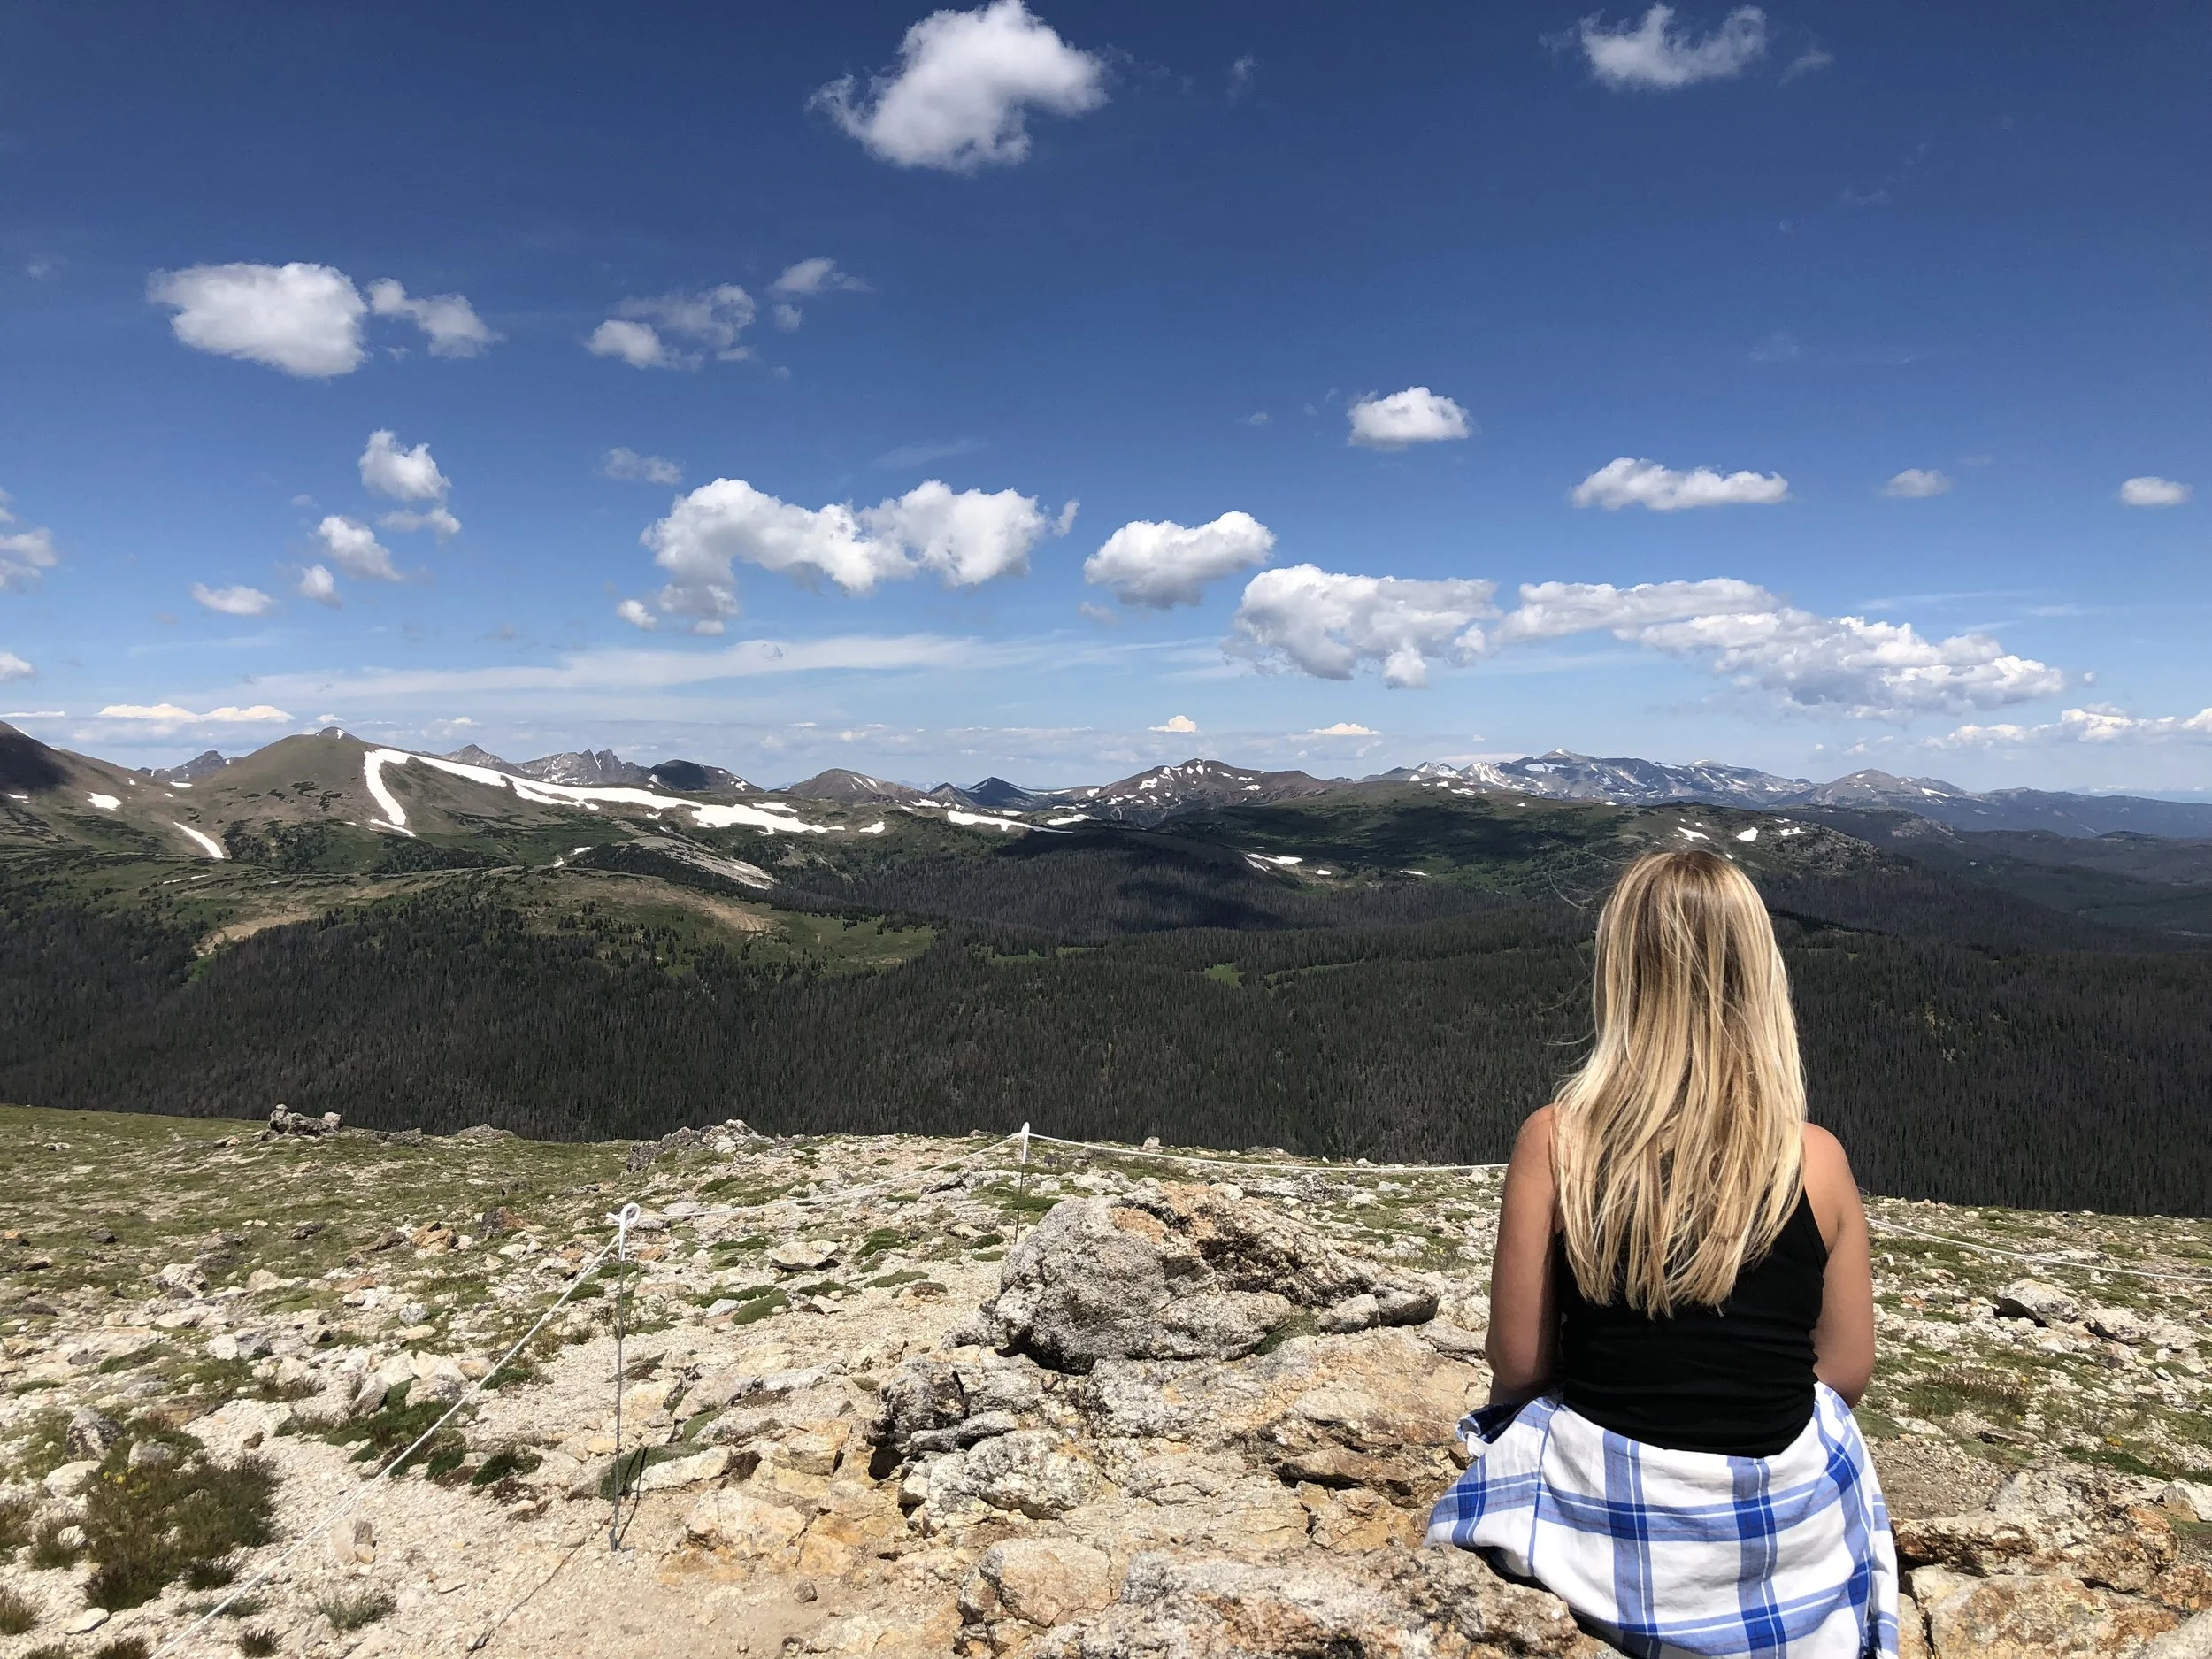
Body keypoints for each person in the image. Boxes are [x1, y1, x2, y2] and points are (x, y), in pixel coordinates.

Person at [1428, 849, 1896, 1659]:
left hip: (1602, 1512)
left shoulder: (1558, 1141)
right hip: (1773, 1523)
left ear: (1622, 974)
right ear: (1761, 977)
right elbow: (1846, 1371)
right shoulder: (1813, 1158)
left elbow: (1520, 1361)